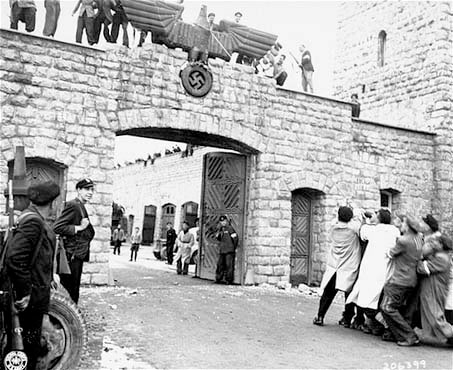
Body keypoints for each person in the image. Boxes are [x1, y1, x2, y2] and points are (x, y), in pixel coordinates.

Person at [6, 181, 60, 369]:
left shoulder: (31, 218)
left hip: (35, 295)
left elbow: (37, 257)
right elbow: (15, 258)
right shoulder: (34, 223)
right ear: (52, 204)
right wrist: (25, 292)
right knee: (24, 350)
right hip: (30, 300)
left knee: (28, 346)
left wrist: (49, 277)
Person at [346, 209, 400, 335]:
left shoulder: (373, 230)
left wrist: (365, 219)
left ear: (379, 218)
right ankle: (380, 325)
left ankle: (386, 325)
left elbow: (361, 231)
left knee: (366, 302)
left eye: (376, 214)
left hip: (372, 271)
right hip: (387, 271)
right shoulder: (394, 231)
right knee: (378, 300)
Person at [313, 206, 362, 327]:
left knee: (328, 292)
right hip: (348, 264)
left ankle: (320, 315)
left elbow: (335, 219)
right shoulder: (353, 229)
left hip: (335, 264)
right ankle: (347, 318)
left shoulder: (333, 227)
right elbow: (359, 219)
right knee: (348, 292)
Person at [380, 215, 423, 346]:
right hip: (412, 279)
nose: (401, 225)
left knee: (386, 307)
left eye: (403, 223)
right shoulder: (419, 239)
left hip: (399, 279)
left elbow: (390, 254)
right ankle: (395, 334)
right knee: (399, 308)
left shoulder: (403, 241)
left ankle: (409, 336)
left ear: (408, 226)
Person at [54, 178, 95, 304]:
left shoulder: (80, 206)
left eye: (92, 190)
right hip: (71, 256)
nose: (90, 192)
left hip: (76, 255)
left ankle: (71, 317)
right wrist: (79, 228)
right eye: (87, 189)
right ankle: (69, 318)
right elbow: (57, 227)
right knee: (70, 290)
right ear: (78, 190)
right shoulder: (74, 205)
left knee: (73, 289)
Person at [416, 215, 453, 346]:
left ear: (442, 245)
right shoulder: (439, 256)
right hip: (431, 288)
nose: (433, 244)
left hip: (434, 290)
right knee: (431, 314)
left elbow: (423, 269)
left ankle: (450, 334)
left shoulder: (442, 258)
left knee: (435, 316)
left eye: (436, 243)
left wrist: (418, 260)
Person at [215, 215, 238, 285]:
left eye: (224, 221)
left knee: (229, 266)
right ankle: (218, 278)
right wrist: (217, 235)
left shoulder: (230, 228)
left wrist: (233, 247)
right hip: (222, 250)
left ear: (226, 221)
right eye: (222, 221)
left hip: (229, 250)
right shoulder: (221, 229)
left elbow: (235, 238)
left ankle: (229, 280)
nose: (223, 223)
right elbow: (219, 238)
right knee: (220, 265)